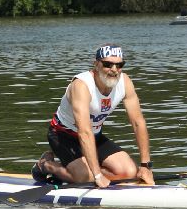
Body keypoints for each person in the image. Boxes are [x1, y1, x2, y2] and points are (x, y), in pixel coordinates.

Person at [32, 44, 154, 188]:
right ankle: (46, 165)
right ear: (96, 64)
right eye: (108, 64)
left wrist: (145, 166)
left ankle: (80, 171)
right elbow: (84, 131)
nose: (114, 70)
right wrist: (97, 175)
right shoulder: (81, 86)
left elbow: (138, 122)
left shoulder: (125, 82)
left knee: (129, 172)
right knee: (86, 178)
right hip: (63, 135)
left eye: (119, 65)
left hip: (94, 135)